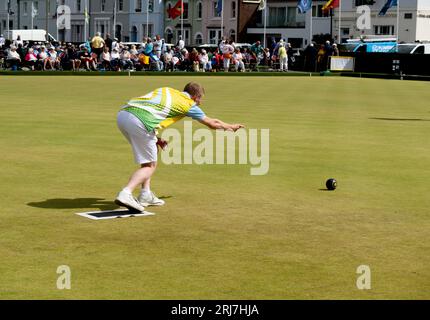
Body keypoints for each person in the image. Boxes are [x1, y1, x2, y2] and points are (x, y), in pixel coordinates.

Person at [115, 82, 244, 212]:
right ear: (195, 96)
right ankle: (126, 193)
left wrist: (156, 139)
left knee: (149, 158)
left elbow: (153, 110)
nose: (200, 102)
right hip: (140, 121)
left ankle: (145, 194)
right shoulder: (188, 104)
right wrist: (230, 127)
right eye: (200, 99)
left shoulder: (167, 90)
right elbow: (212, 123)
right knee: (150, 167)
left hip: (123, 114)